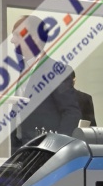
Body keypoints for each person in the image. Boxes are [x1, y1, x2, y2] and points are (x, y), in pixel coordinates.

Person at [9, 15, 81, 143]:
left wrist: (56, 145)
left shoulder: (56, 71)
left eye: (17, 35)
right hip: (21, 148)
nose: (12, 40)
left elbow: (71, 113)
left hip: (45, 148)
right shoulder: (23, 69)